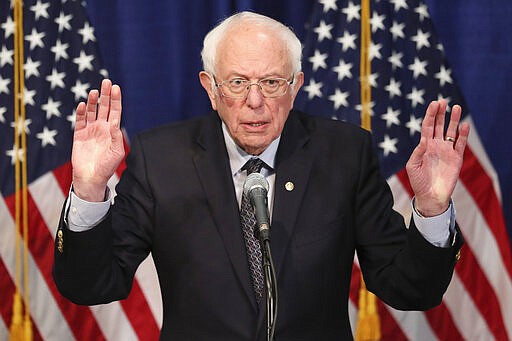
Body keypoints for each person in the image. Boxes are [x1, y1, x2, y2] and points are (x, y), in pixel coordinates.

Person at [53, 11, 469, 340]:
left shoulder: (344, 155)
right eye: (237, 82)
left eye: (271, 82)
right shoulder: (161, 159)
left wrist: (432, 208)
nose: (255, 101)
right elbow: (92, 285)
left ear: (296, 86)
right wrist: (89, 189)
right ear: (210, 88)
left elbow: (409, 288)